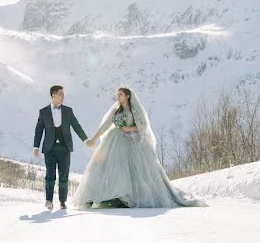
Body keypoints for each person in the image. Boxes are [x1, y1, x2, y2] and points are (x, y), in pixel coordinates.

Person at [71, 87, 203, 209]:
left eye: (121, 94)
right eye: (117, 95)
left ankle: (126, 197)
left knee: (132, 169)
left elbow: (143, 126)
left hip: (131, 141)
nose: (118, 97)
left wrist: (129, 128)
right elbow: (105, 125)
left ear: (127, 96)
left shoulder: (134, 110)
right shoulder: (116, 110)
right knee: (107, 166)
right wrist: (94, 139)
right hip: (114, 140)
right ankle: (102, 196)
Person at [33, 85, 92, 210]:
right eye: (61, 94)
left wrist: (85, 139)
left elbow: (76, 126)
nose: (63, 96)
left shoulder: (68, 111)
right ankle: (48, 200)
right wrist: (36, 146)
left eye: (63, 94)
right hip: (49, 148)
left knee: (64, 175)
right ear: (53, 95)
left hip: (65, 148)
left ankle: (62, 201)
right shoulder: (43, 112)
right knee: (50, 174)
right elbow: (39, 130)